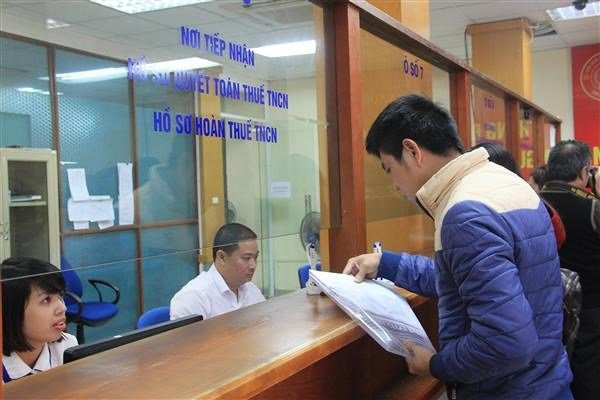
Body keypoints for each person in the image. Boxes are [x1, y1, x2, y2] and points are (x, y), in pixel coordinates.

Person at [343, 94, 572, 399]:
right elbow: (467, 281)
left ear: (412, 151)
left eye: (389, 169)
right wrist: (385, 263)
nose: (394, 184)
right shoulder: (506, 182)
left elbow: (505, 343)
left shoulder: (464, 212)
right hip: (546, 381)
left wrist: (435, 364)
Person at [539, 140, 600, 400]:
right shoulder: (593, 206)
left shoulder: (533, 203)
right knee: (589, 377)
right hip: (590, 308)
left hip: (545, 306)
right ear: (584, 171)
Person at [2, 257, 78, 383]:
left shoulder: (67, 346)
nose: (62, 308)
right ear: (12, 311)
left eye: (60, 296)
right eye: (46, 300)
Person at [170, 223, 265, 320]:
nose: (253, 265)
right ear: (222, 257)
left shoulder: (251, 289)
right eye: (247, 258)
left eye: (255, 257)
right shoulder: (193, 297)